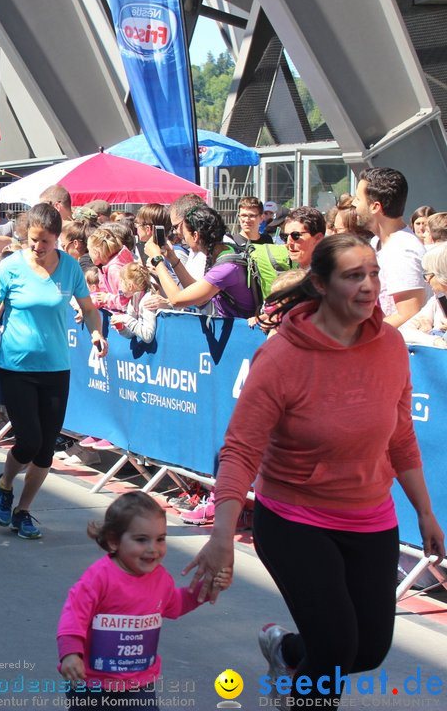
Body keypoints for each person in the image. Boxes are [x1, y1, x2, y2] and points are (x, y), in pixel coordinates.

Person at [186, 234, 445, 705]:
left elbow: (401, 435)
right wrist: (222, 535)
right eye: (353, 276)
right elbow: (241, 450)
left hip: (370, 516)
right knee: (335, 649)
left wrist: (425, 512)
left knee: (366, 651)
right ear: (321, 285)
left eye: (373, 273)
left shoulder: (389, 345)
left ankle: (286, 651)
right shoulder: (282, 357)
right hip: (293, 518)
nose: (369, 286)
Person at [0, 203, 107, 540]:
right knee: (29, 441)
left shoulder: (71, 269)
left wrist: (96, 332)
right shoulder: (11, 268)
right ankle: (3, 484)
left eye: (45, 241)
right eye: (33, 239)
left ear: (57, 238)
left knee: (46, 448)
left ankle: (24, 511)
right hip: (16, 366)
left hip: (57, 368)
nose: (38, 247)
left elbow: (89, 309)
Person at [58, 492, 225, 705]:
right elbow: (73, 615)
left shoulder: (161, 578)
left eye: (160, 539)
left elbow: (176, 604)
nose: (152, 548)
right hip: (92, 684)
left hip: (139, 683)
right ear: (113, 541)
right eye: (141, 540)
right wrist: (70, 653)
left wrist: (207, 588)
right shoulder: (99, 577)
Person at [144, 204, 257, 318]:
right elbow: (198, 298)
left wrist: (157, 259)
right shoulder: (224, 250)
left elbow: (176, 299)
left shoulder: (226, 268)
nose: (183, 238)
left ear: (195, 236)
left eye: (185, 234)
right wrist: (171, 257)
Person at [353, 167, 428, 328]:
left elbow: (409, 315)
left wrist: (356, 335)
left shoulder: (402, 250)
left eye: (358, 199)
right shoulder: (377, 243)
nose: (353, 203)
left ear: (375, 207)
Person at [110, 262, 158, 344]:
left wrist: (126, 319)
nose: (120, 287)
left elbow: (148, 336)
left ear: (130, 285)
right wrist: (122, 328)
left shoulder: (147, 301)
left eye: (121, 282)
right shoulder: (133, 301)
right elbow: (133, 334)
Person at [281, 206, 326, 271]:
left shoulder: (328, 276)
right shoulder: (294, 273)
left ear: (318, 238)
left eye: (295, 236)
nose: (288, 243)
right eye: (285, 237)